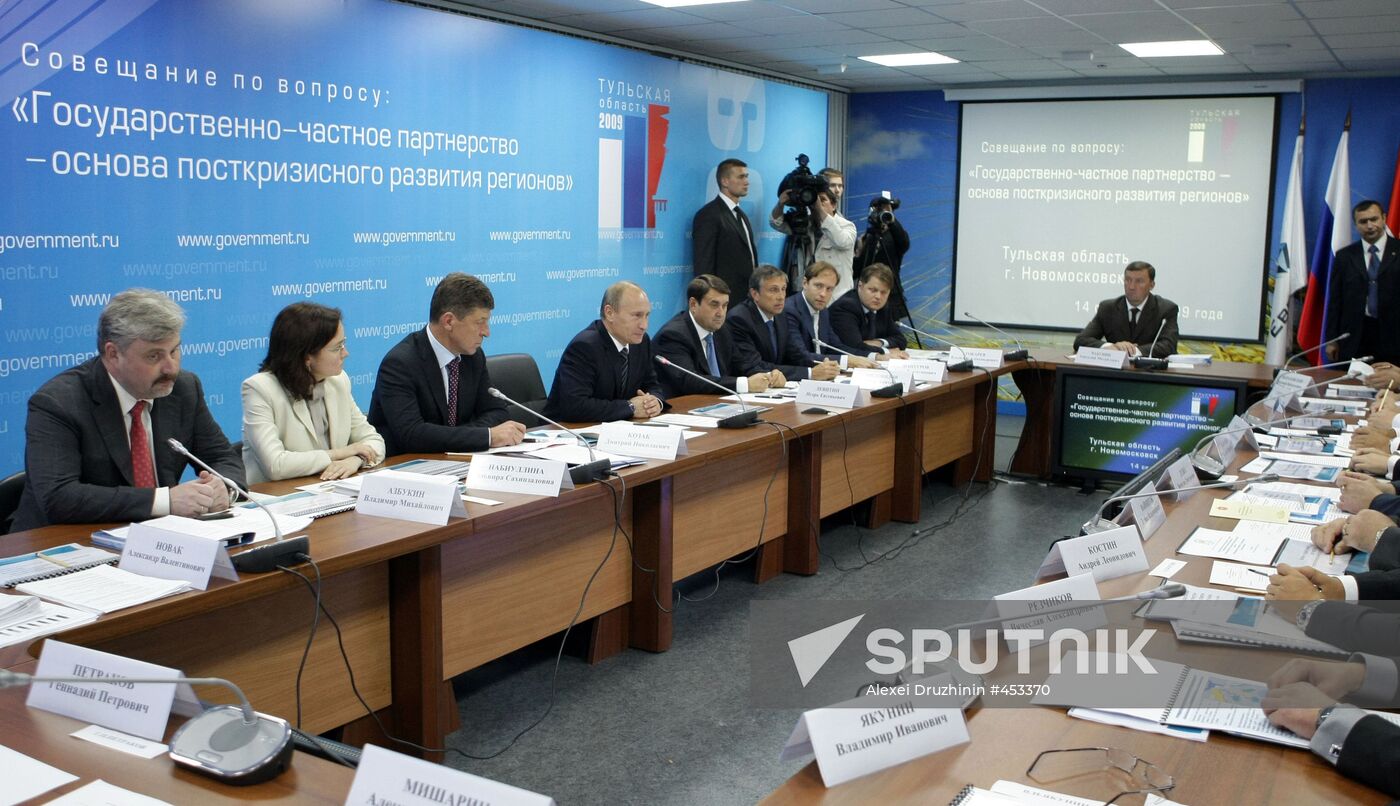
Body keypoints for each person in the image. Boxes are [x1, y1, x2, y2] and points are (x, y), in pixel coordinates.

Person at [10, 289, 244, 531]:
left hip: (159, 540)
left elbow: (221, 457)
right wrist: (166, 501)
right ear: (113, 354)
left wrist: (223, 487)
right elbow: (58, 496)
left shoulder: (183, 388)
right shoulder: (58, 402)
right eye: (154, 356)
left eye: (174, 351)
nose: (170, 368)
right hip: (60, 544)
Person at [368, 273, 524, 456]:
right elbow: (411, 434)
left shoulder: (472, 357)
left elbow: (497, 411)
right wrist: (487, 436)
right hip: (407, 468)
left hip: (455, 461)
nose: (486, 332)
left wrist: (459, 435)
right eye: (480, 322)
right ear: (448, 321)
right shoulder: (400, 364)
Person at [241, 302, 385, 483]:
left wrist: (355, 459)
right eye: (337, 348)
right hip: (278, 500)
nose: (345, 353)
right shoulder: (260, 389)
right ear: (306, 356)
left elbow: (374, 441)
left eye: (344, 344)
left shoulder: (338, 382)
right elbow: (275, 465)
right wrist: (340, 453)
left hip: (329, 492)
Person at [545, 281, 666, 422]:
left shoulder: (641, 342)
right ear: (610, 313)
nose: (644, 325)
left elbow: (652, 384)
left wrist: (655, 402)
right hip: (565, 432)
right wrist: (630, 407)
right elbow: (575, 406)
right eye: (636, 316)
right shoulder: (585, 347)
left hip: (616, 429)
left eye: (647, 315)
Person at [654, 275, 778, 399]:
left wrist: (769, 376)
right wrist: (744, 384)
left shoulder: (721, 330)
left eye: (725, 305)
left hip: (717, 404)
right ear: (693, 304)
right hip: (683, 408)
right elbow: (690, 381)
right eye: (714, 305)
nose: (721, 313)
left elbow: (742, 365)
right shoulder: (673, 335)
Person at [728, 265, 840, 382]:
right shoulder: (739, 319)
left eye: (783, 289)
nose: (781, 297)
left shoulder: (780, 315)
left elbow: (795, 354)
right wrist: (810, 373)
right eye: (773, 290)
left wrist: (825, 366)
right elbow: (754, 366)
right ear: (755, 294)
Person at [1326, 200, 1400, 364]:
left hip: (1394, 336)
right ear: (1356, 225)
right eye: (1363, 221)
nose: (1370, 225)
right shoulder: (1345, 256)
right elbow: (1335, 301)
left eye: (1374, 219)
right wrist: (1332, 339)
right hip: (1355, 336)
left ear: (1384, 218)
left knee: (1389, 385)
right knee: (1352, 384)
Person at [1072, 261, 1179, 357]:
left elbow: (1168, 346)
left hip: (1151, 373)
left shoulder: (1166, 309)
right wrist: (1110, 347)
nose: (1131, 287)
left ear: (1152, 285)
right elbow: (1081, 340)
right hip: (1115, 373)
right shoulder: (1108, 308)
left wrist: (1133, 350)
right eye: (1128, 280)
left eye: (1139, 281)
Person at [782, 261, 876, 369]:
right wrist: (847, 361)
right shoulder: (790, 310)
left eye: (829, 289)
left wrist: (872, 357)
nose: (823, 294)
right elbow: (799, 356)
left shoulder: (823, 311)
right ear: (805, 283)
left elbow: (835, 347)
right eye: (818, 286)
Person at [769, 188, 856, 297]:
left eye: (823, 200)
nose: (818, 203)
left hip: (837, 296)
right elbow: (776, 223)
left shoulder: (847, 225)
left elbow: (842, 242)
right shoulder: (806, 224)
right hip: (811, 293)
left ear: (834, 205)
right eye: (815, 200)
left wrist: (820, 210)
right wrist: (780, 204)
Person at [692, 158, 758, 295]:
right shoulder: (708, 215)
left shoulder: (742, 215)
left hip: (747, 297)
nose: (746, 182)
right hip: (724, 299)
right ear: (725, 181)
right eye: (741, 177)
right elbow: (704, 264)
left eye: (746, 176)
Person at [828, 263, 910, 361]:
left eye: (884, 292)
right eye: (873, 290)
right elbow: (855, 347)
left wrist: (879, 342)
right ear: (860, 286)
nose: (878, 297)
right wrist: (886, 352)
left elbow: (901, 340)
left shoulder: (883, 307)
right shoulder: (845, 307)